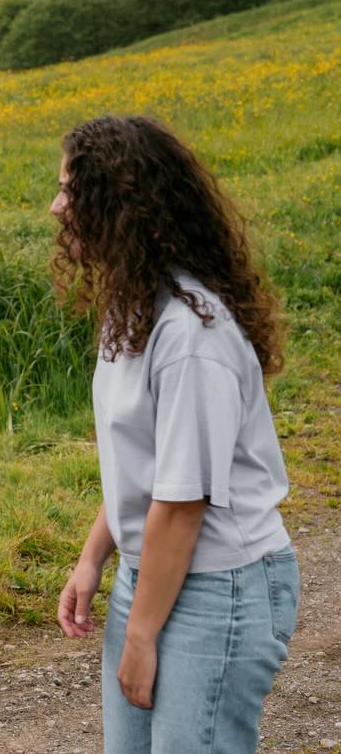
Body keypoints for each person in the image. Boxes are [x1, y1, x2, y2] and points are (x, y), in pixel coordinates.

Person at [50, 115, 297, 752]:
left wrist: (140, 635)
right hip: (152, 573)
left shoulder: (191, 336)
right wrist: (93, 557)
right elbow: (144, 465)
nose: (57, 206)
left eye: (73, 193)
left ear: (122, 205)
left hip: (219, 587)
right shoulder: (133, 309)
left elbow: (183, 504)